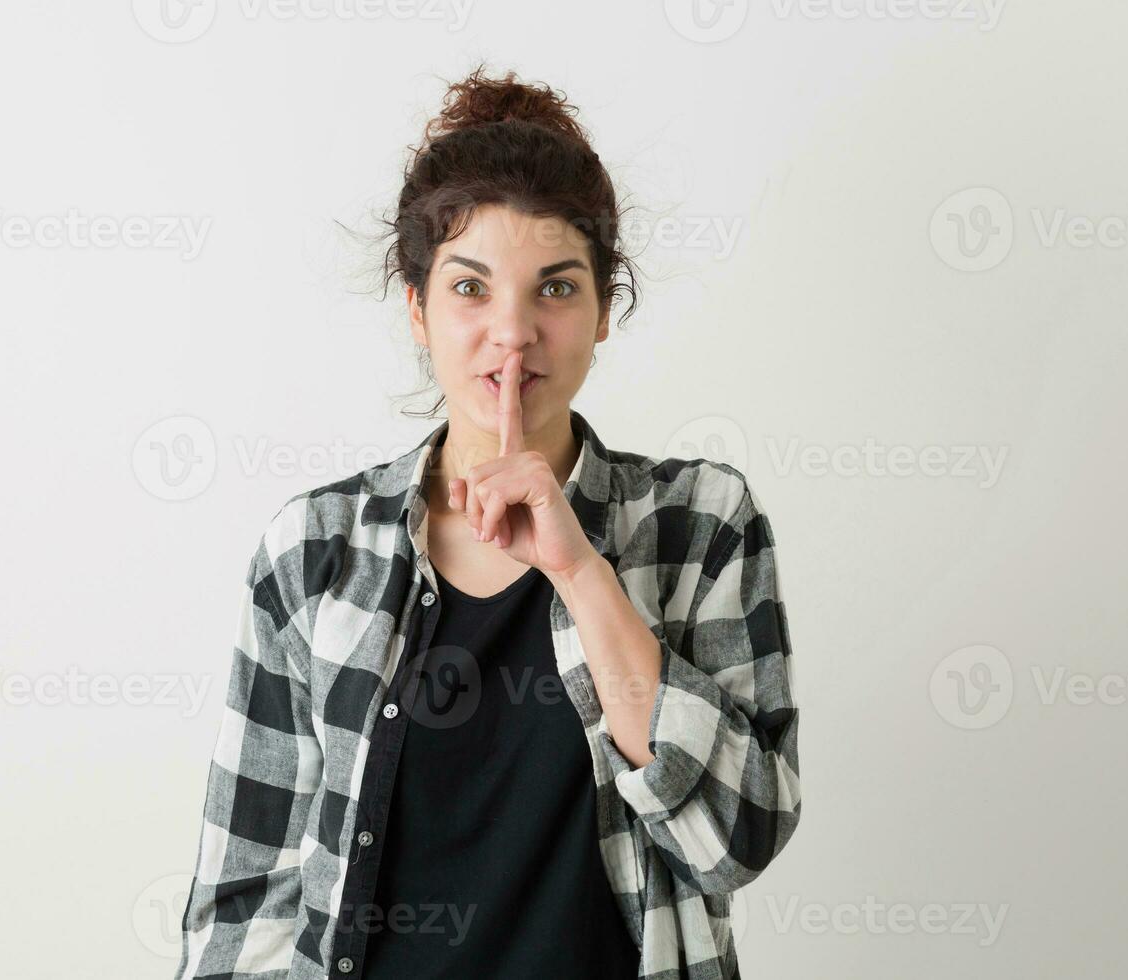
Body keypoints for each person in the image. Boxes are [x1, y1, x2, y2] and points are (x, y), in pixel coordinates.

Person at [174, 65, 802, 980]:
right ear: (418, 310)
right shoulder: (313, 552)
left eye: (555, 289)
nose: (513, 333)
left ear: (602, 315)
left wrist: (582, 571)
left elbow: (737, 839)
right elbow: (243, 894)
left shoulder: (701, 526)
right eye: (471, 289)